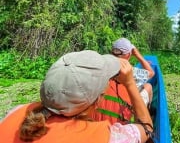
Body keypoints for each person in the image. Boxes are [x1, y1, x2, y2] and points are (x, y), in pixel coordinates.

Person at [0, 50, 153, 143]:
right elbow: (146, 129)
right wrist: (130, 84)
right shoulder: (105, 137)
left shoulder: (15, 112)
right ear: (97, 100)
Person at [96, 38, 155, 124]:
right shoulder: (131, 72)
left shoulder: (103, 65)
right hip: (124, 117)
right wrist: (138, 55)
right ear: (128, 55)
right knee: (148, 86)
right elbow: (151, 73)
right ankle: (147, 114)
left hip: (100, 117)